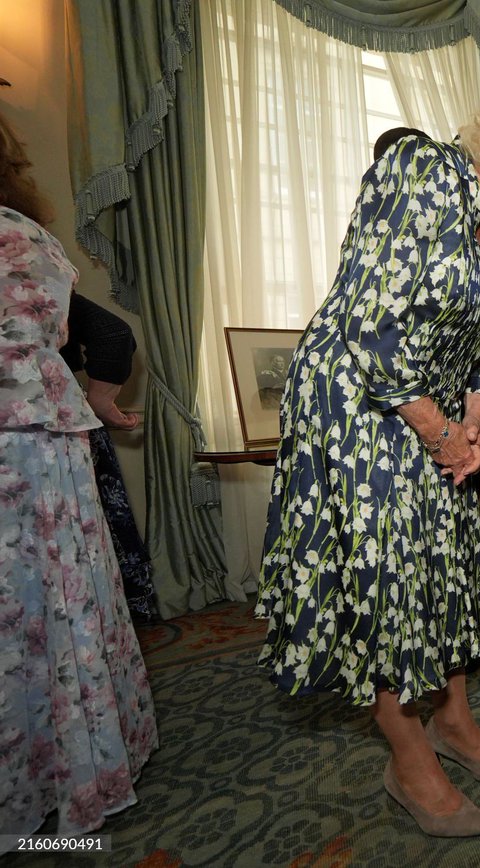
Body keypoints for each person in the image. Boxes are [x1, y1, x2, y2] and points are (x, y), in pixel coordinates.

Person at [256, 64, 480, 837]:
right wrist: (441, 428)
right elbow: (370, 326)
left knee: (443, 567)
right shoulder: (420, 171)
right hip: (358, 407)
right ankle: (407, 757)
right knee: (383, 580)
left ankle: (453, 719)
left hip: (432, 410)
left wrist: (474, 408)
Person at [0, 112, 158, 840]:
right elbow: (102, 334)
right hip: (50, 453)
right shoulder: (29, 236)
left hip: (23, 452)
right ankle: (84, 760)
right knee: (63, 610)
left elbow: (106, 335)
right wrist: (97, 400)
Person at [60, 293, 158, 622]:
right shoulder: (32, 258)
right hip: (58, 422)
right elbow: (114, 333)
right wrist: (101, 402)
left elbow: (114, 333)